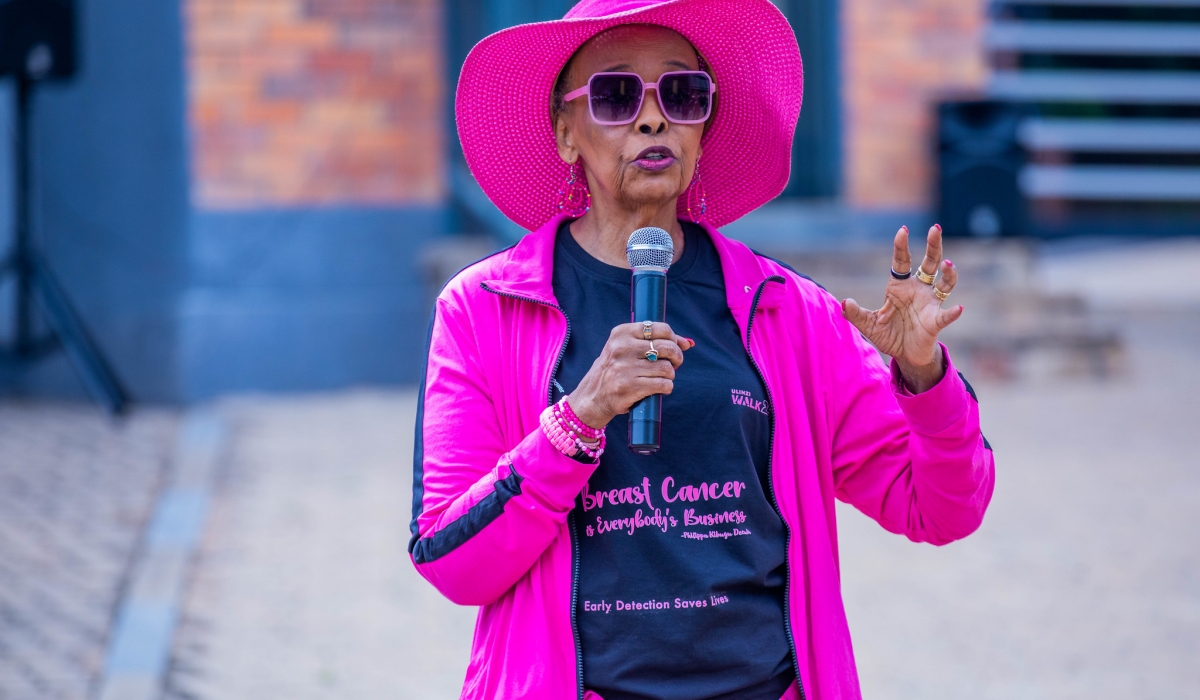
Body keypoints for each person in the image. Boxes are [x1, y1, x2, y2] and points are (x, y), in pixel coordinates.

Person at [409, 0, 996, 697]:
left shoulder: (788, 312)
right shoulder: (484, 311)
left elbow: (942, 508)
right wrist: (576, 421)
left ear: (703, 126)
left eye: (683, 94)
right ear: (566, 132)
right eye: (617, 94)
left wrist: (922, 375)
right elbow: (452, 560)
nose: (653, 119)